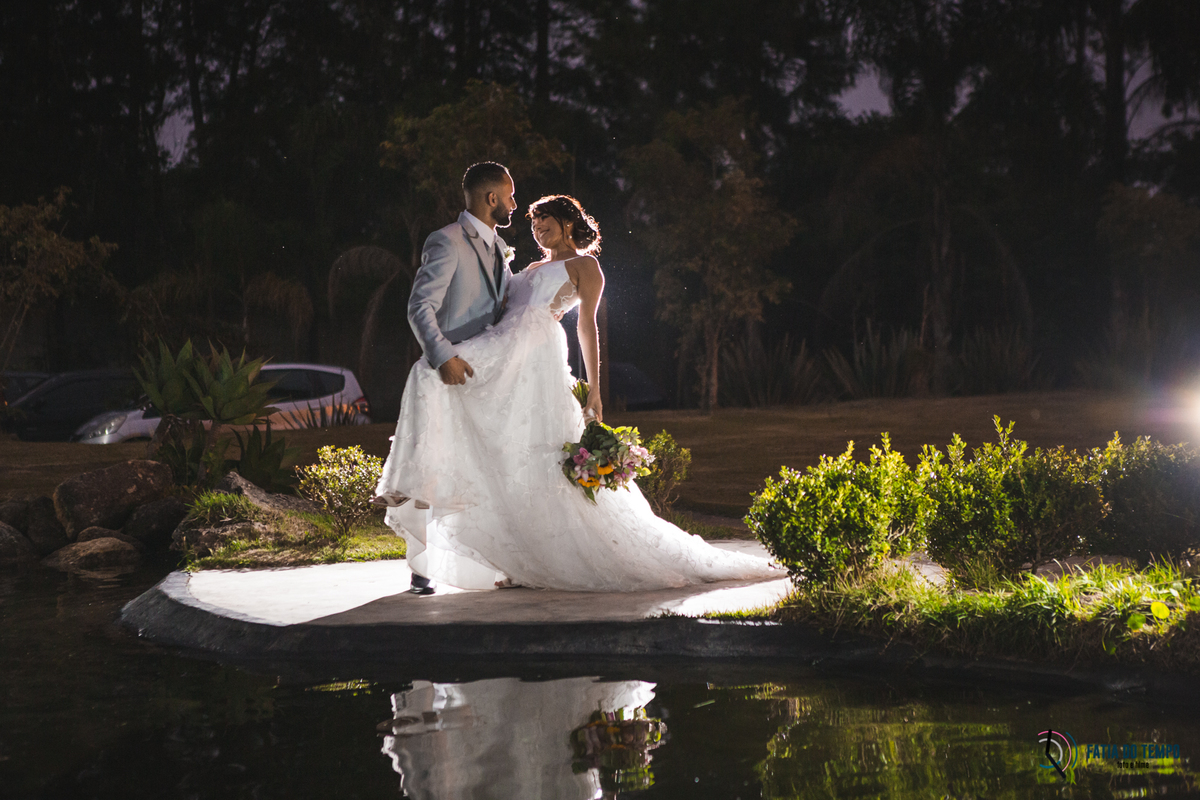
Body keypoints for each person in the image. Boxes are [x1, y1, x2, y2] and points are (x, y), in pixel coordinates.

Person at [374, 190, 776, 592]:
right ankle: (493, 541)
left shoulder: (587, 266)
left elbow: (587, 326)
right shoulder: (528, 267)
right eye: (533, 223)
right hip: (503, 343)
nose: (537, 228)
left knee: (528, 441)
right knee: (456, 398)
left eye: (544, 220)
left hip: (535, 351)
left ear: (568, 223)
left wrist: (595, 389)